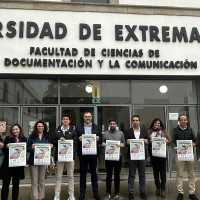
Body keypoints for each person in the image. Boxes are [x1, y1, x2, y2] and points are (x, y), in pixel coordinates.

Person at [171, 114, 199, 200]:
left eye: (185, 120)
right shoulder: (175, 130)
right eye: (181, 120)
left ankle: (192, 192)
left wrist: (194, 144)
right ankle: (180, 192)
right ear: (179, 121)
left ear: (187, 121)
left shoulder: (190, 130)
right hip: (179, 155)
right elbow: (173, 141)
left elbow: (195, 141)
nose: (183, 121)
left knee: (191, 174)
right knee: (179, 174)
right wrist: (174, 147)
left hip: (189, 155)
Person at [76, 111, 102, 200]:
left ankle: (96, 193)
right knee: (82, 173)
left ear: (91, 118)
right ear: (83, 117)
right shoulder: (79, 127)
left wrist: (98, 139)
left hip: (93, 154)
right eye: (86, 116)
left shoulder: (96, 127)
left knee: (93, 173)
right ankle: (82, 193)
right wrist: (78, 139)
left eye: (89, 116)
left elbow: (101, 139)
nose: (87, 118)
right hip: (83, 154)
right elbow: (75, 139)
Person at [51, 114, 77, 200]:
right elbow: (52, 142)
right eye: (64, 119)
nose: (65, 120)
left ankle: (71, 195)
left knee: (70, 176)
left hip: (70, 158)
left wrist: (71, 156)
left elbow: (76, 143)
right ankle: (57, 195)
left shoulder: (73, 130)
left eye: (67, 119)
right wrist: (59, 140)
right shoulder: (57, 130)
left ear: (69, 121)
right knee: (58, 176)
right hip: (59, 157)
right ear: (62, 121)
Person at [0, 123, 27, 200]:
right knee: (5, 184)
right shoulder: (8, 138)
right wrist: (6, 146)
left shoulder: (24, 139)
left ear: (19, 130)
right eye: (13, 130)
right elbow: (4, 150)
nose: (15, 131)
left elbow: (24, 152)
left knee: (16, 185)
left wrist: (24, 162)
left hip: (18, 165)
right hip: (8, 164)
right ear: (11, 131)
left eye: (16, 129)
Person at [27, 120, 53, 200]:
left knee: (42, 180)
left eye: (42, 126)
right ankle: (35, 198)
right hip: (33, 161)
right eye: (39, 126)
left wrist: (51, 146)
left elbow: (49, 147)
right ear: (36, 127)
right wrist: (32, 148)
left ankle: (41, 197)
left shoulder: (47, 136)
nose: (40, 128)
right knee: (34, 181)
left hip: (43, 161)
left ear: (44, 127)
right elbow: (27, 149)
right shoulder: (31, 136)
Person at [125, 115, 149, 200]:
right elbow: (125, 142)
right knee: (131, 174)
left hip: (142, 156)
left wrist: (146, 141)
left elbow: (148, 141)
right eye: (134, 120)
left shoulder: (144, 131)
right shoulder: (128, 131)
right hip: (132, 156)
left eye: (137, 120)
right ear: (132, 122)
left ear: (139, 122)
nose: (135, 122)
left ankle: (142, 192)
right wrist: (127, 142)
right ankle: (131, 192)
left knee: (142, 175)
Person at [102, 119, 125, 200]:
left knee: (117, 175)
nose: (112, 125)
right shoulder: (105, 134)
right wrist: (103, 144)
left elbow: (124, 143)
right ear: (109, 125)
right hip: (108, 157)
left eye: (113, 124)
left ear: (116, 125)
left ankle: (117, 193)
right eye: (111, 124)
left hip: (118, 157)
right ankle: (108, 193)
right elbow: (102, 143)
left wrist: (122, 144)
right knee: (108, 176)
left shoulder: (120, 133)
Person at [147, 118, 170, 198]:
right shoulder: (149, 132)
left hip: (162, 154)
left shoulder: (164, 131)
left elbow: (169, 140)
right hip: (153, 154)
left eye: (159, 123)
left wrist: (166, 141)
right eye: (156, 123)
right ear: (153, 124)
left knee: (162, 171)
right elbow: (146, 141)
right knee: (155, 171)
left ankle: (163, 189)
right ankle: (158, 188)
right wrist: (149, 141)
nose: (157, 124)